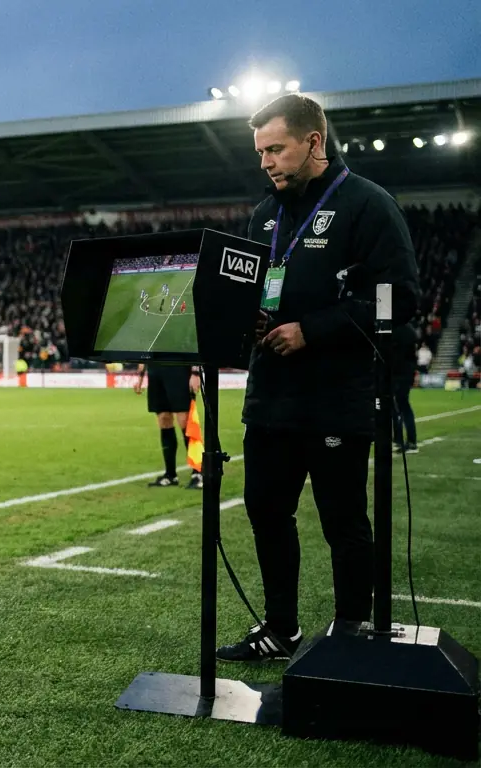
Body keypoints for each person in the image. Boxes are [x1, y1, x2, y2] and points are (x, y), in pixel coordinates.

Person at [217, 93, 419, 663]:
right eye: (260, 153)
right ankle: (282, 628)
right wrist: (251, 315)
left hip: (338, 396)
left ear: (313, 142)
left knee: (343, 521)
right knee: (265, 511)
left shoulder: (367, 205)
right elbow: (256, 285)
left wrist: (315, 329)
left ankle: (352, 635)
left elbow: (395, 298)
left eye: (275, 149)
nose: (266, 163)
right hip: (271, 397)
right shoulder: (264, 214)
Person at [134, 363, 202, 489]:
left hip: (179, 367)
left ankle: (199, 473)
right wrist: (140, 375)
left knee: (184, 420)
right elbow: (147, 346)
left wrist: (195, 373)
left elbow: (195, 344)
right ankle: (170, 475)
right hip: (156, 369)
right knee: (163, 419)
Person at [392, 321, 418, 453]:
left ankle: (406, 440)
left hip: (399, 373)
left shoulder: (397, 330)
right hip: (405, 372)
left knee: (400, 406)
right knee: (400, 406)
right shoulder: (410, 330)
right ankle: (401, 439)